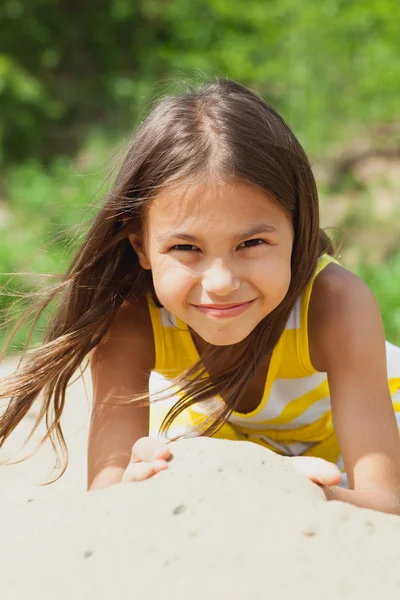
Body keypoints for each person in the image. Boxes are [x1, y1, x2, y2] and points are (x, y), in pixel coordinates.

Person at [1, 79, 400, 513]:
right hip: (224, 440)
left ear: (296, 231)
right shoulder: (130, 318)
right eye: (186, 248)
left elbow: (384, 499)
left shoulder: (336, 305)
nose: (221, 281)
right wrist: (132, 487)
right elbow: (106, 494)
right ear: (141, 247)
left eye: (251, 244)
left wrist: (298, 491)